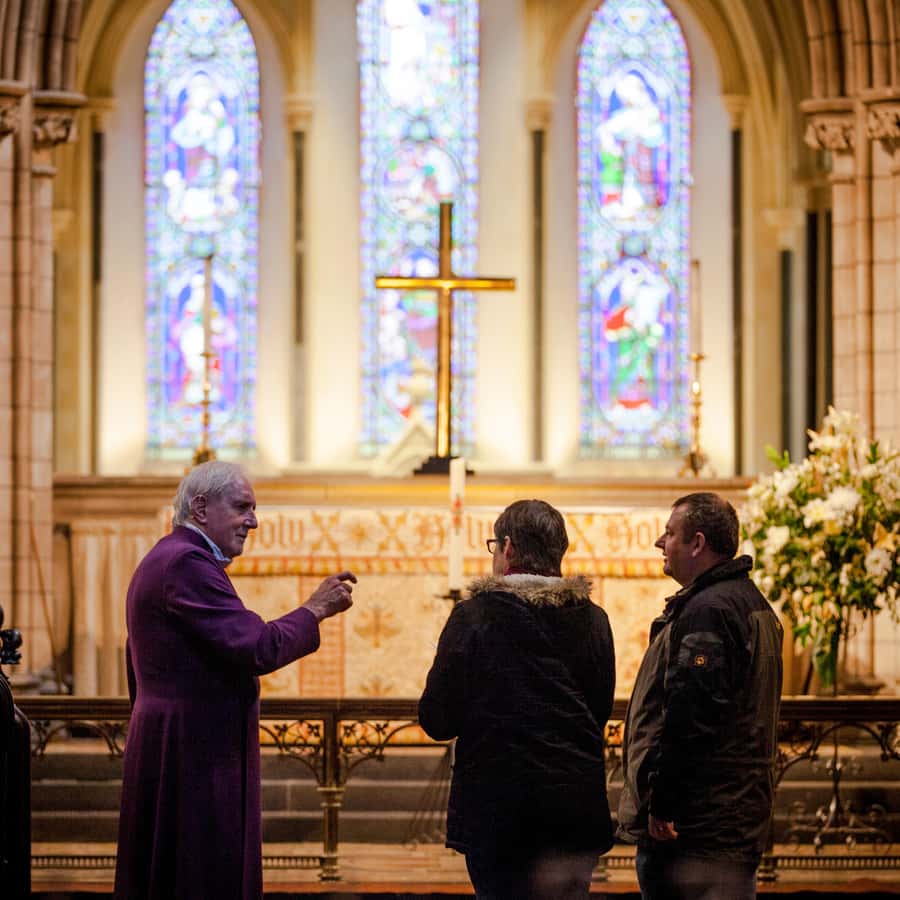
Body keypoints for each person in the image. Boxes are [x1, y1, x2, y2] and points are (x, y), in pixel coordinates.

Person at [113, 461, 356, 900]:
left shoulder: (166, 556)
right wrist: (314, 609)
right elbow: (255, 646)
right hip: (195, 753)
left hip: (175, 740)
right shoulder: (186, 563)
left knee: (170, 871)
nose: (254, 521)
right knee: (200, 874)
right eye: (243, 507)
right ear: (201, 507)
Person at [419, 499, 616, 899]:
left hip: (498, 812)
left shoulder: (474, 617)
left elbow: (437, 719)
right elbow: (598, 711)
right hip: (573, 808)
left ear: (507, 549)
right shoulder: (594, 620)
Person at [618, 492, 783, 900]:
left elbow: (692, 715)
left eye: (670, 533)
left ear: (697, 543)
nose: (660, 542)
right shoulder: (751, 601)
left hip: (698, 829)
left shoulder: (708, 610)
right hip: (736, 815)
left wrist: (664, 802)